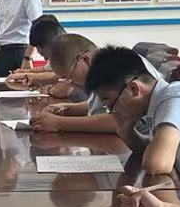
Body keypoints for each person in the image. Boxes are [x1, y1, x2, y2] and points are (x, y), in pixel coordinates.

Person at [84, 44, 180, 192]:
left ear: (134, 89)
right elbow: (149, 150)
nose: (112, 111)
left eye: (110, 104)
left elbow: (156, 164)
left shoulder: (175, 100)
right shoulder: (158, 103)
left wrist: (163, 163)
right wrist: (127, 132)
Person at [29, 36, 165, 134]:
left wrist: (58, 123)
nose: (69, 82)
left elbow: (118, 120)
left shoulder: (114, 65)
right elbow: (100, 106)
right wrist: (65, 108)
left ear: (84, 59)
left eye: (69, 77)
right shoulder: (101, 70)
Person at [4, 16, 65, 88]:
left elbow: (62, 76)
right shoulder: (57, 50)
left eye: (44, 54)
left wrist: (27, 75)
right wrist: (22, 72)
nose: (45, 59)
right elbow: (46, 70)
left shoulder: (70, 49)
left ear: (49, 43)